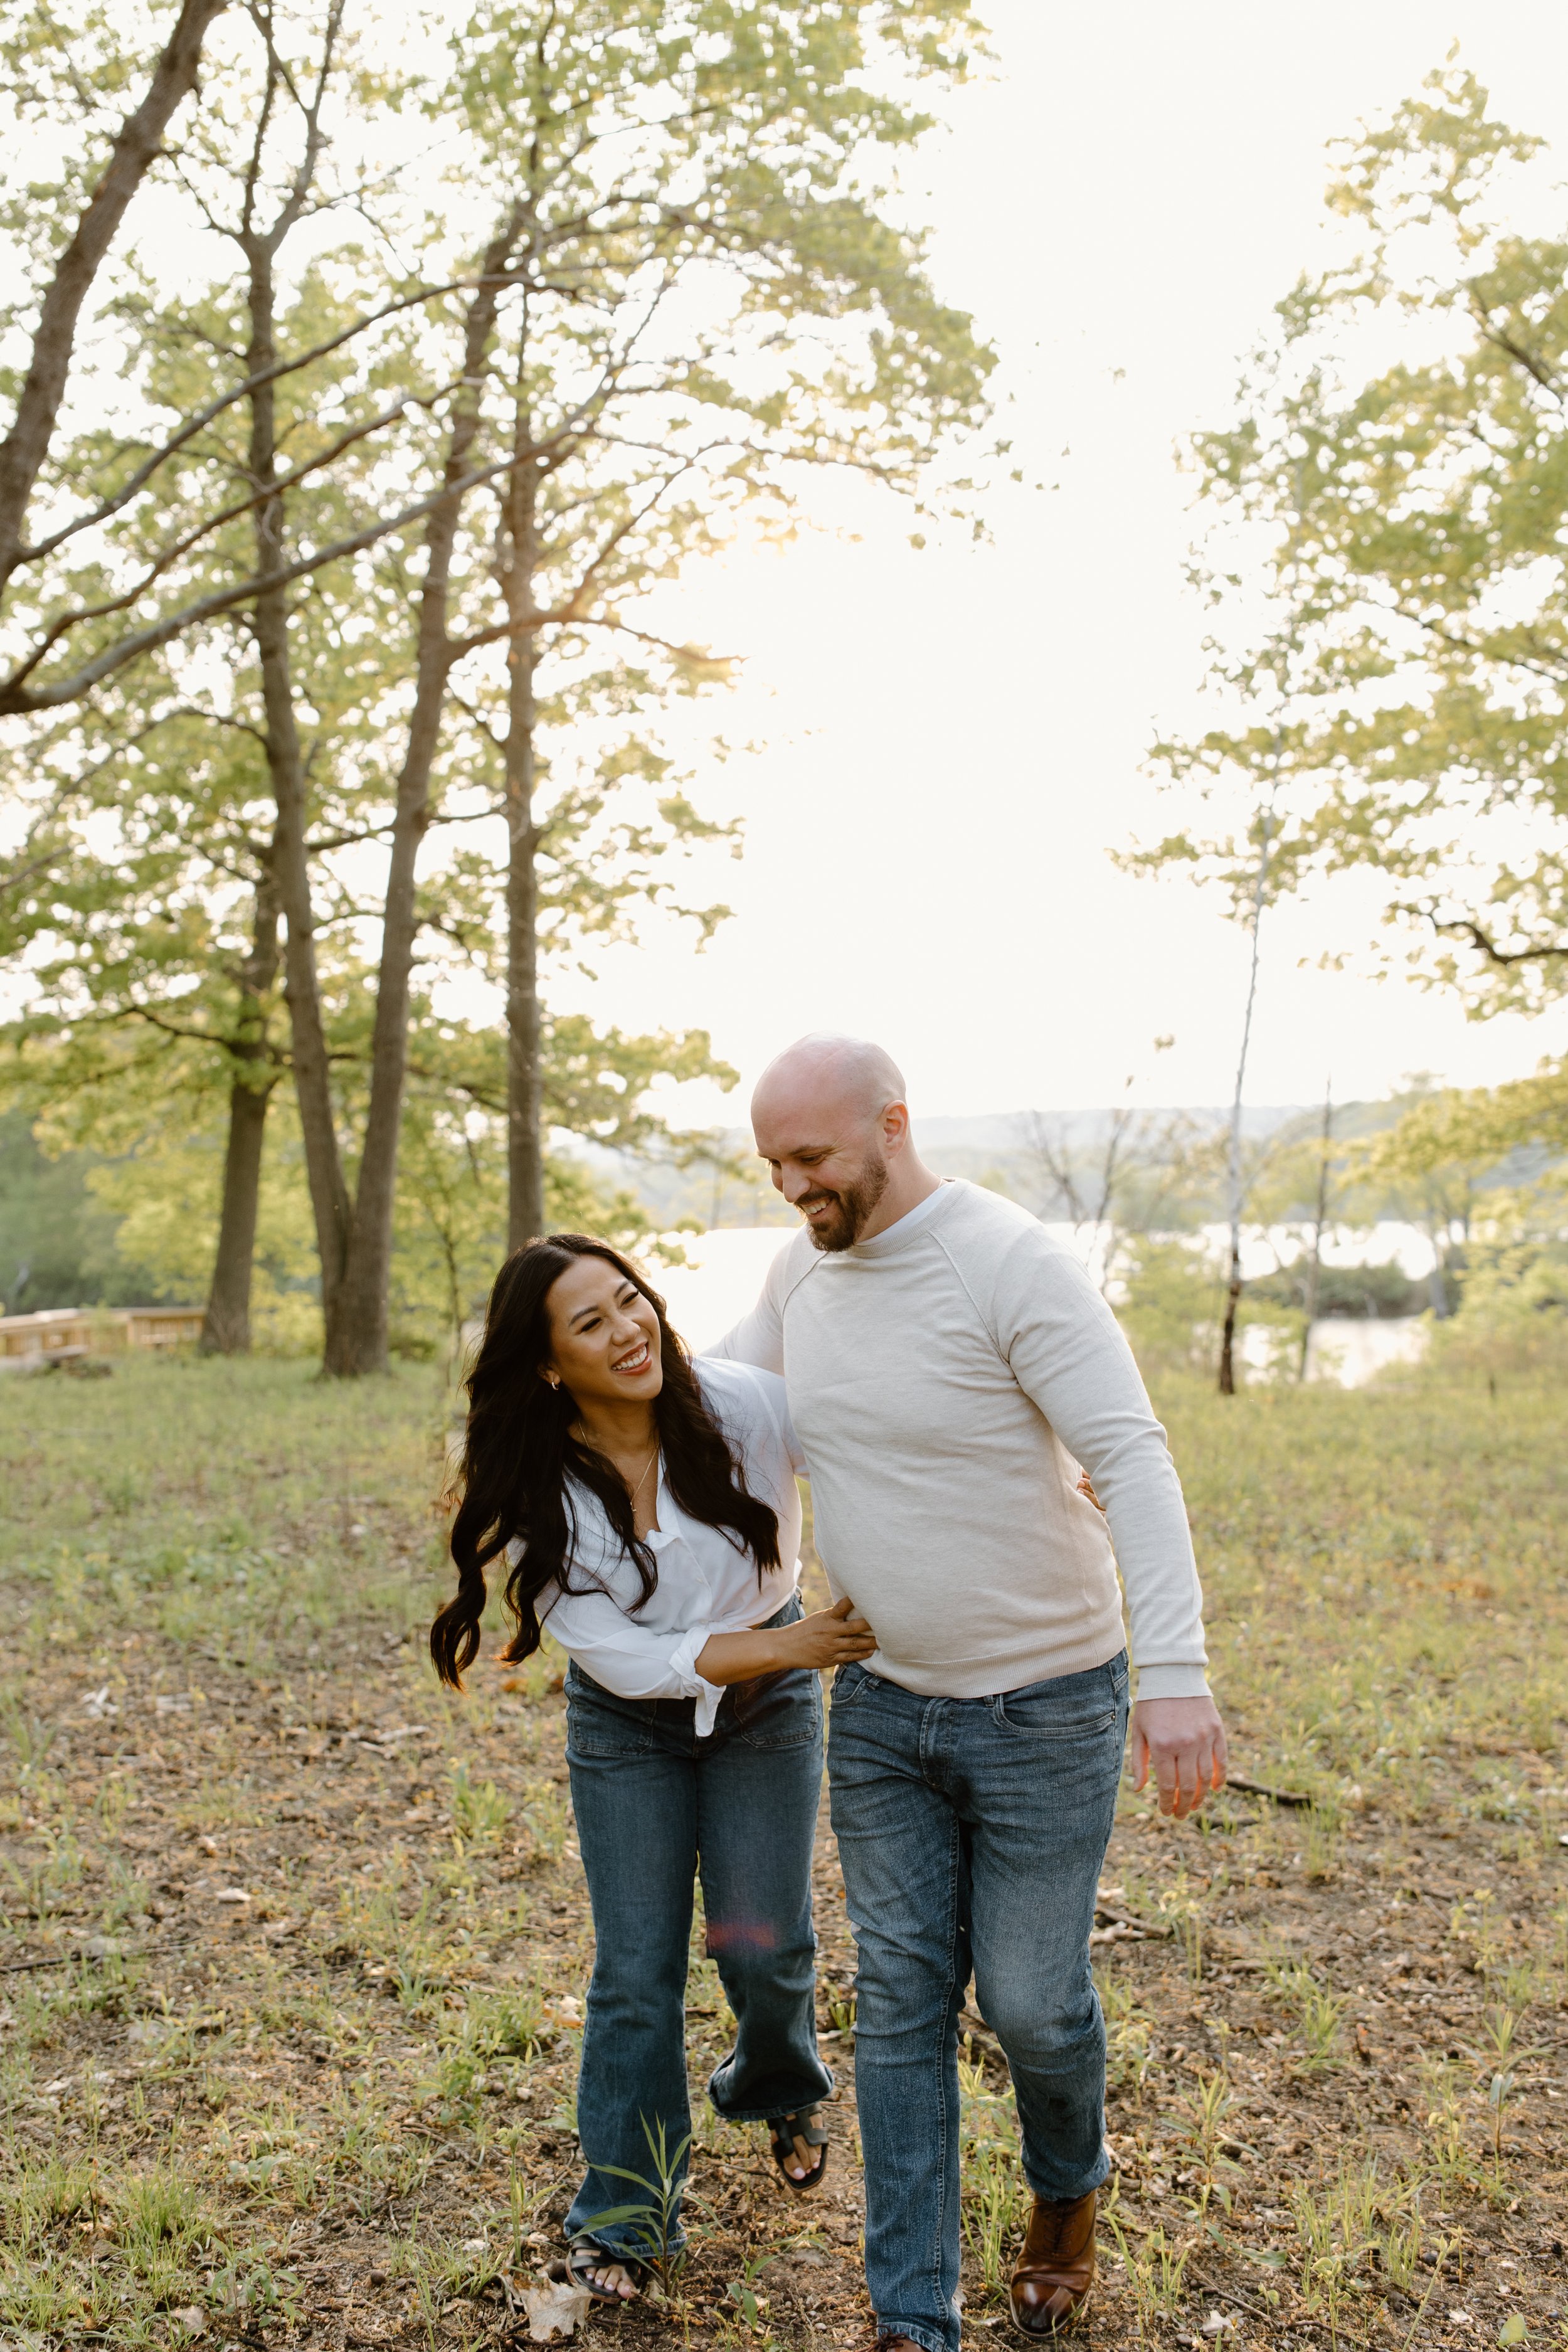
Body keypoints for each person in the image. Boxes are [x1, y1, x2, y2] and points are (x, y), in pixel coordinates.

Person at [709, 1036, 1228, 2352]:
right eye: (771, 1163)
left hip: (1045, 1706)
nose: (791, 1187)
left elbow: (1130, 1454)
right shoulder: (798, 1274)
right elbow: (712, 1396)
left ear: (891, 1122)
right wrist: (570, 1370)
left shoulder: (1005, 1262)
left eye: (812, 1158)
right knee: (898, 2005)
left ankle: (1066, 2193)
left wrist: (1174, 1678)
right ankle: (910, 2315)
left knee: (1032, 2004)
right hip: (880, 1701)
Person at [430, 1232, 876, 2301]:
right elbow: (625, 1659)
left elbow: (888, 1438)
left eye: (630, 1301)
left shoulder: (744, 1405)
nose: (628, 1329)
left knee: (763, 1944)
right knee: (635, 1971)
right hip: (633, 1724)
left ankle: (777, 2086)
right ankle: (627, 2210)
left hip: (765, 1711)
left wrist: (1046, 1471)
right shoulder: (545, 1483)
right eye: (591, 1322)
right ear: (548, 1364)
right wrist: (791, 1641)